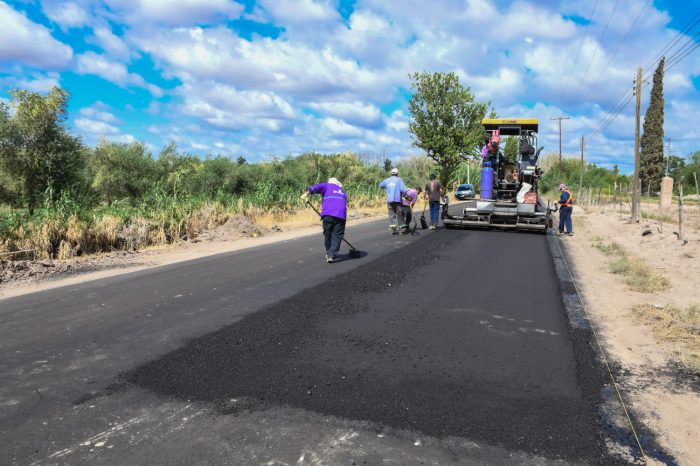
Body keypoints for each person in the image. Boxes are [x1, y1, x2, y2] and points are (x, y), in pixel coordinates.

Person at [301, 177, 347, 262]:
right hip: (341, 215)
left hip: (328, 214)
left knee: (328, 233)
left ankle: (329, 253)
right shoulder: (342, 191)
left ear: (330, 182)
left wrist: (305, 194)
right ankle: (331, 254)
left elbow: (314, 188)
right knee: (337, 235)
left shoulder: (326, 185)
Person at [379, 168, 409, 234]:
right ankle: (402, 228)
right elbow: (402, 189)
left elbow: (380, 186)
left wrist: (387, 187)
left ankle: (392, 229)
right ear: (397, 174)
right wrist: (406, 193)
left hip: (389, 200)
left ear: (391, 173)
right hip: (397, 200)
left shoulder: (387, 180)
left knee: (391, 214)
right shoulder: (399, 180)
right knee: (399, 214)